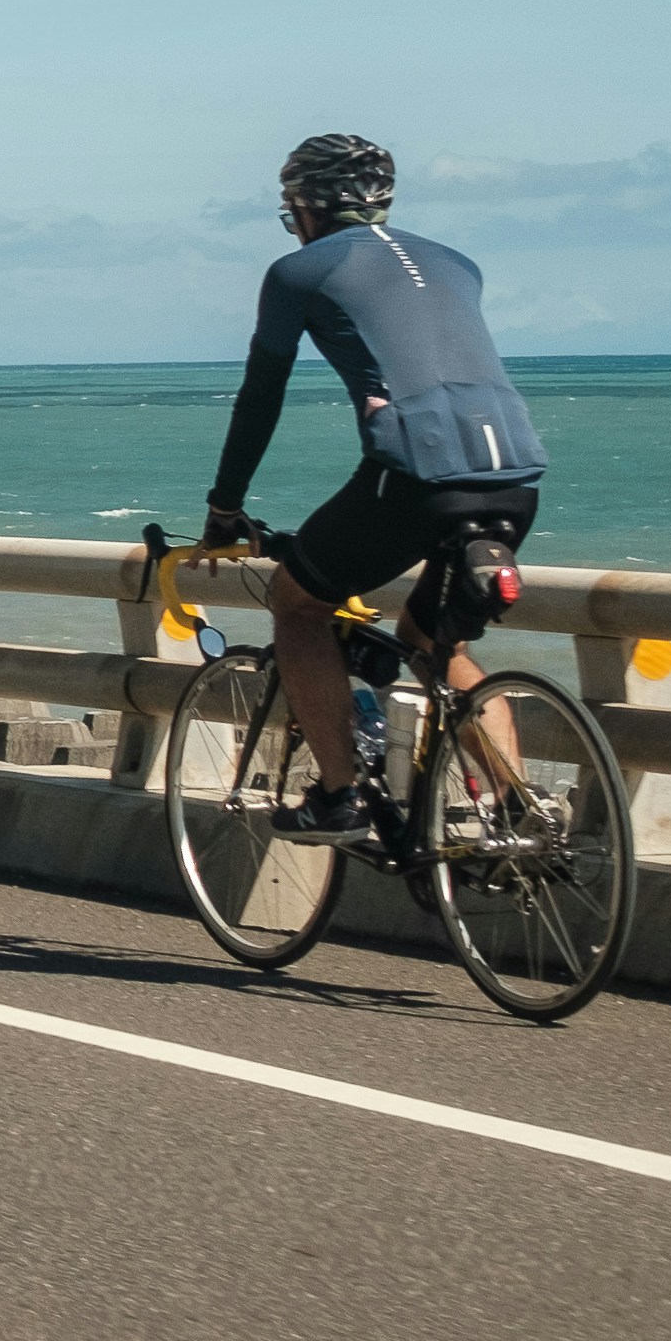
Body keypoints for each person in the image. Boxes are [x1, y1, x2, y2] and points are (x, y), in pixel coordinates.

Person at [200, 134, 547, 845]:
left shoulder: (297, 272)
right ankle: (522, 815)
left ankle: (336, 798)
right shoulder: (457, 263)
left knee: (298, 605)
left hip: (416, 475)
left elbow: (259, 395)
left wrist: (224, 506)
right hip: (514, 473)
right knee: (430, 640)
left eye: (289, 207)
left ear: (304, 206)